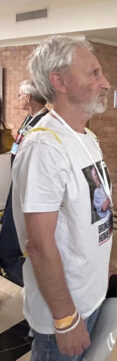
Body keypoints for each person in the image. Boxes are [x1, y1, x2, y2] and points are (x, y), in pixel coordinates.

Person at [11, 36, 117, 360]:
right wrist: (65, 319)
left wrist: (104, 264)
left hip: (91, 294)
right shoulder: (45, 147)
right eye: (94, 73)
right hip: (65, 311)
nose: (106, 83)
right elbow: (40, 246)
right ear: (59, 81)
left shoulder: (86, 137)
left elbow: (88, 214)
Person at [0, 79, 48, 286]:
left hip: (27, 186)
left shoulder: (44, 122)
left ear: (28, 97)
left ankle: (18, 274)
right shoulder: (30, 118)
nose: (18, 99)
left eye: (20, 95)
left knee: (17, 231)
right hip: (17, 182)